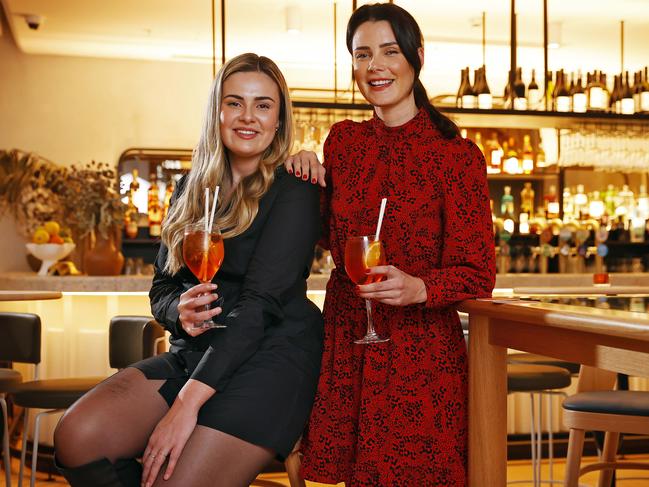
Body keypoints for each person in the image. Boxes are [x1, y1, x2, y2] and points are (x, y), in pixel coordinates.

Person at [54, 53, 323, 487]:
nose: (247, 117)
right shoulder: (190, 187)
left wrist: (184, 406)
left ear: (279, 118)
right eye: (234, 103)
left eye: (263, 105)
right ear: (217, 111)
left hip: (273, 357)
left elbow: (259, 306)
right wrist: (177, 310)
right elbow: (161, 286)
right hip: (196, 353)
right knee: (77, 436)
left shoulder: (294, 188)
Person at [285, 4, 496, 485]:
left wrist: (419, 287)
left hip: (418, 354)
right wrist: (302, 173)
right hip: (346, 339)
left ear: (417, 57)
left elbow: (478, 272)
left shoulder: (456, 157)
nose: (375, 66)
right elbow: (326, 234)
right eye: (362, 54)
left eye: (389, 51)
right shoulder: (343, 142)